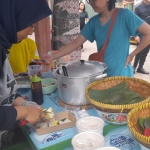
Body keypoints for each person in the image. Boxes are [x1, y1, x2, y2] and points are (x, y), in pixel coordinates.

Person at [44, 0, 150, 77]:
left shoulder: (125, 15)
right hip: (102, 75)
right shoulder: (93, 22)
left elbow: (148, 33)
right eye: (90, 0)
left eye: (94, 0)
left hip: (122, 76)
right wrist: (53, 56)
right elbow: (75, 43)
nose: (91, 3)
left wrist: (132, 55)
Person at [0, 0, 52, 148]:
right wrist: (23, 112)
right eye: (30, 24)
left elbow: (3, 90)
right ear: (13, 15)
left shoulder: (3, 46)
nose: (31, 32)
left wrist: (23, 103)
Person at [132, 0, 150, 74]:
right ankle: (134, 67)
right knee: (139, 51)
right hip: (141, 33)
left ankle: (140, 67)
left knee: (146, 51)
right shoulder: (138, 8)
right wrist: (136, 36)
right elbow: (134, 22)